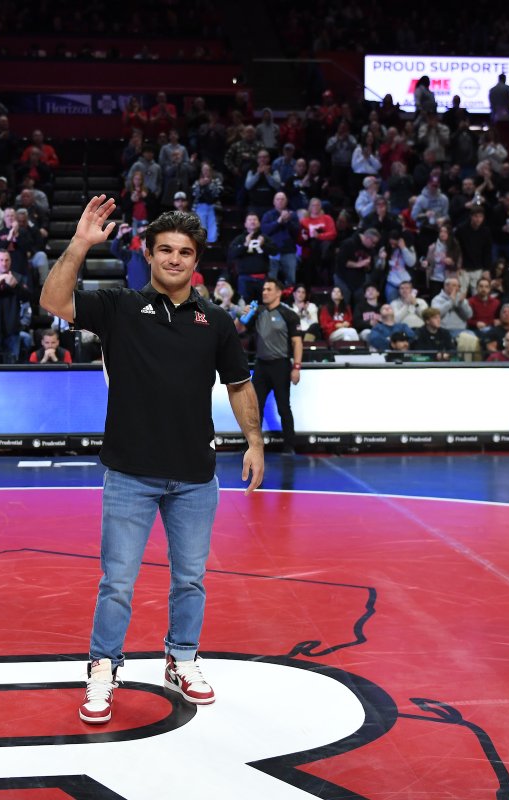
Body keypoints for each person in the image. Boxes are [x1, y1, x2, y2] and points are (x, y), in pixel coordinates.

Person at [39, 196, 263, 725]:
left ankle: (181, 658)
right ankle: (103, 667)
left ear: (196, 260)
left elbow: (239, 384)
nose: (175, 259)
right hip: (129, 474)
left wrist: (254, 441)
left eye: (185, 251)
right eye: (165, 249)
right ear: (148, 253)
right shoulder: (117, 308)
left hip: (195, 476)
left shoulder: (217, 322)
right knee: (117, 581)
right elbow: (54, 300)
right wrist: (79, 244)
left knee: (190, 579)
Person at [237, 278, 302, 454]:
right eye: (264, 289)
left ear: (278, 293)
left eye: (268, 289)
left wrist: (296, 367)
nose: (264, 292)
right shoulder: (257, 312)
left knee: (283, 407)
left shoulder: (288, 314)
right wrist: (243, 315)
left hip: (281, 365)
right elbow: (239, 329)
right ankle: (252, 445)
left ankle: (289, 446)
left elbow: (297, 342)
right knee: (255, 407)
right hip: (261, 365)